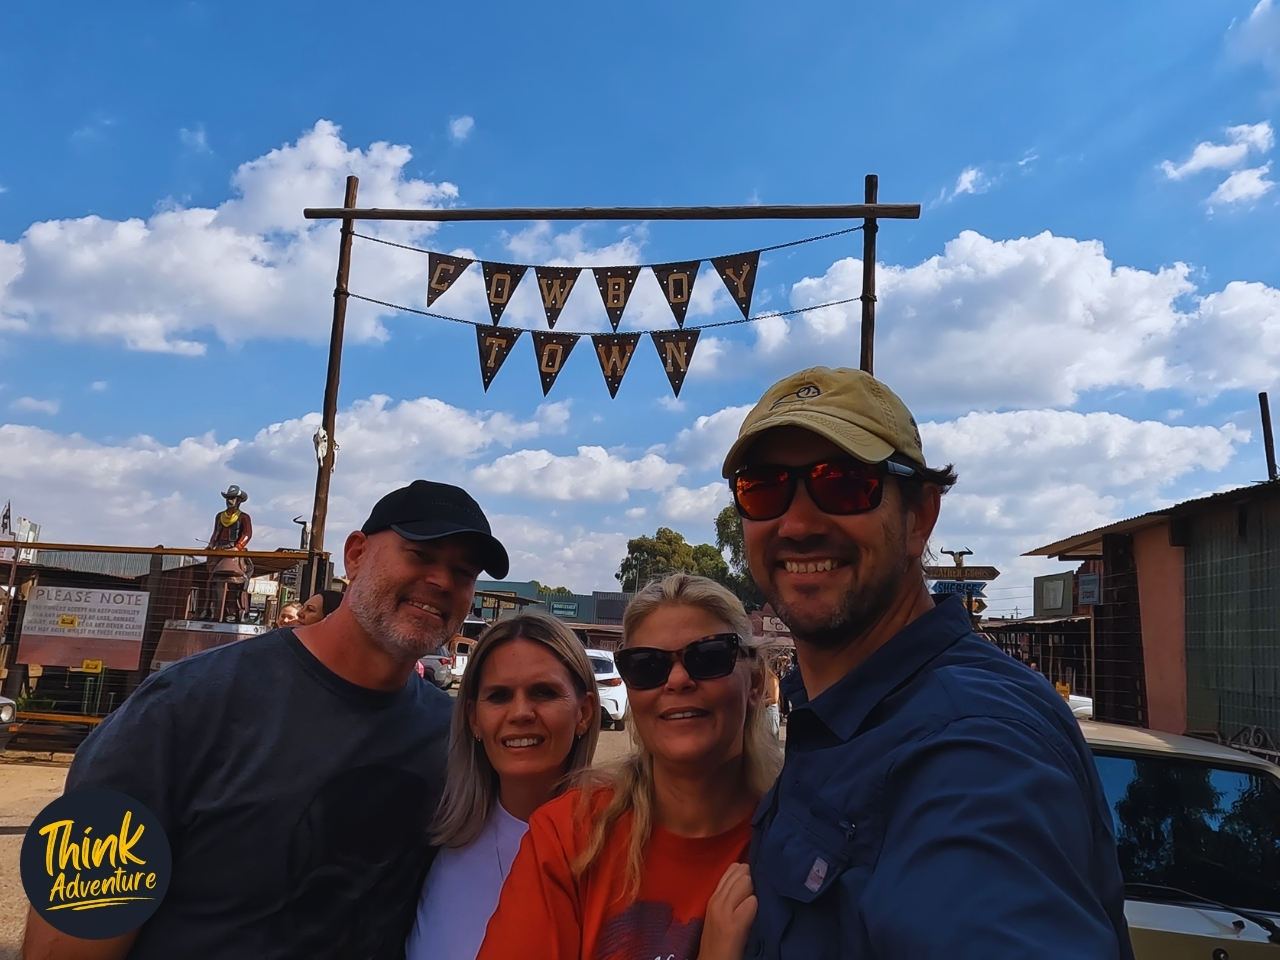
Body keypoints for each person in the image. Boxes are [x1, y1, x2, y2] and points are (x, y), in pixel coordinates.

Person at [719, 367, 1133, 959]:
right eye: (764, 488)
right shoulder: (835, 717)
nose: (798, 523)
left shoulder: (973, 750)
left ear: (920, 517)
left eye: (843, 484)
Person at [23, 480, 510, 960]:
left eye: (464, 573)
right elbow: (72, 935)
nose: (443, 582)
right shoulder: (184, 706)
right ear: (356, 555)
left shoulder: (454, 739)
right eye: (420, 555)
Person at [476, 574, 783, 960]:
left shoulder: (807, 840)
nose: (677, 680)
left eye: (709, 657)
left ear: (755, 683)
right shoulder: (571, 837)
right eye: (648, 665)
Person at [405, 612, 600, 960]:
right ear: (473, 718)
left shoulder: (619, 849)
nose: (520, 712)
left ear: (584, 712)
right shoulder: (433, 841)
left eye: (544, 692)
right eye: (499, 696)